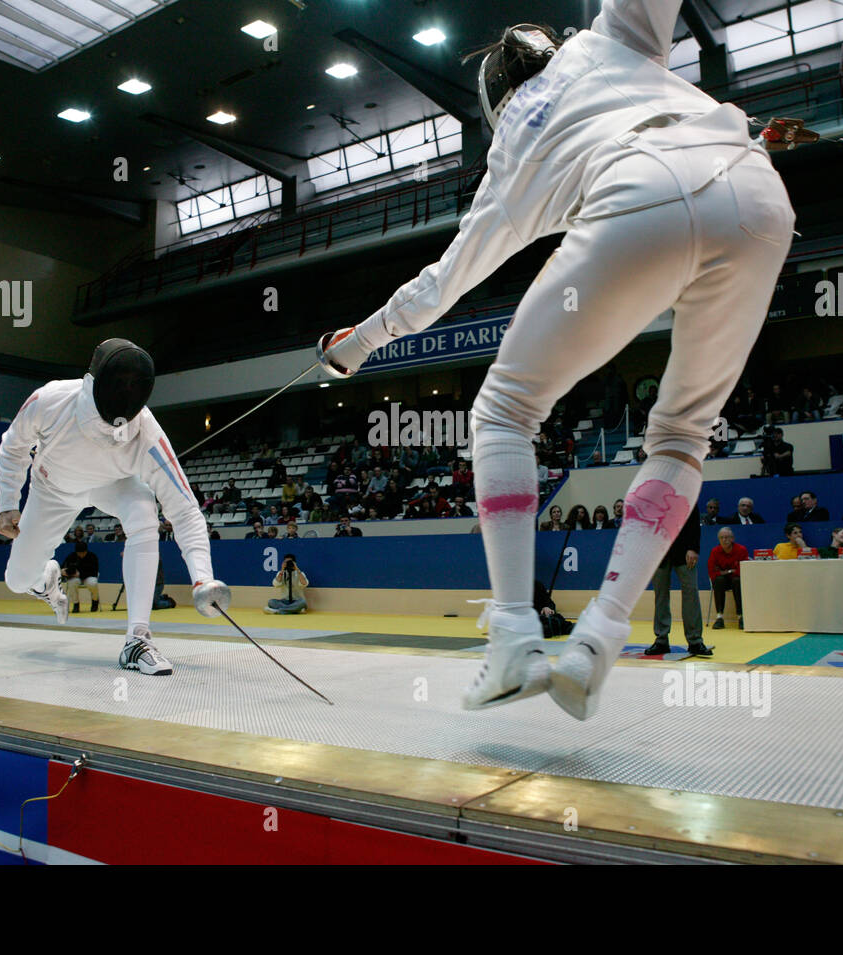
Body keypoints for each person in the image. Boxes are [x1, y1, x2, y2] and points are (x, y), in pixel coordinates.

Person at [313, 0, 795, 718]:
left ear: (493, 104)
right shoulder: (608, 41)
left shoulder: (508, 157)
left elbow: (435, 290)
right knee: (684, 434)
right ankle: (598, 639)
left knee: (504, 411)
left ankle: (512, 635)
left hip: (640, 199)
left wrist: (350, 349)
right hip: (759, 199)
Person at [0, 339, 230, 676]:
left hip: (112, 485)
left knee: (143, 509)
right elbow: (14, 445)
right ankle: (44, 580)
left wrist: (202, 579)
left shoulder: (147, 434)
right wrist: (8, 502)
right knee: (17, 580)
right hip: (52, 489)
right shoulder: (50, 399)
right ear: (91, 386)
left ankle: (137, 639)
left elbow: (184, 509)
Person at [644, 508, 711, 657]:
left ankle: (695, 641)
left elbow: (694, 523)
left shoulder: (686, 488)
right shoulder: (654, 492)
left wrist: (693, 548)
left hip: (684, 550)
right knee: (660, 596)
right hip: (659, 551)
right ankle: (661, 641)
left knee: (691, 594)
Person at [706, 526, 747, 629]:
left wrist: (723, 572)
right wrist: (729, 571)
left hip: (736, 580)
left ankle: (741, 617)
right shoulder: (715, 551)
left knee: (737, 581)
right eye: (721, 538)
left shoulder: (741, 549)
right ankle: (719, 617)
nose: (724, 540)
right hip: (722, 581)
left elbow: (743, 570)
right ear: (719, 539)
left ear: (732, 538)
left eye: (727, 537)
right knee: (718, 581)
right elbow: (712, 572)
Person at [62, 539, 101, 614]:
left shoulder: (92, 556)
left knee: (93, 583)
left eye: (83, 553)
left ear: (86, 551)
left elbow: (94, 571)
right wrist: (63, 571)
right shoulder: (71, 556)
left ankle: (95, 600)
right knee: (72, 583)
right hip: (75, 577)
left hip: (89, 576)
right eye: (79, 553)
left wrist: (80, 574)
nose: (81, 555)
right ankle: (76, 604)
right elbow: (63, 566)